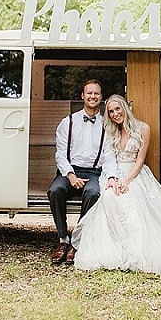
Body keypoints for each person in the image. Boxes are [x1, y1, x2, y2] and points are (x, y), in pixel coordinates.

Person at [71, 94, 161, 279]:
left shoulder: (143, 128)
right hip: (114, 173)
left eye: (118, 109)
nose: (115, 114)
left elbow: (140, 160)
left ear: (125, 108)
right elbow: (109, 158)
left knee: (132, 199)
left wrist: (127, 181)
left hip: (134, 173)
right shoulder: (111, 131)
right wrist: (114, 179)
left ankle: (136, 250)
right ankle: (117, 249)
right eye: (111, 112)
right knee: (109, 197)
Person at [48, 79, 117, 264]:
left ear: (101, 97)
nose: (93, 96)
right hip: (69, 171)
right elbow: (60, 154)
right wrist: (71, 176)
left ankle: (77, 243)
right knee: (55, 191)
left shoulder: (107, 126)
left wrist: (111, 177)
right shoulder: (67, 122)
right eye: (89, 93)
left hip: (94, 173)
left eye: (96, 93)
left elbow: (110, 156)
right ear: (83, 96)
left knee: (94, 192)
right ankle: (63, 240)